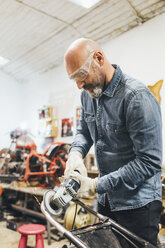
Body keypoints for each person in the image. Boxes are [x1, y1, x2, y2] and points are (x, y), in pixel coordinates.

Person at [63, 38, 162, 246]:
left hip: (138, 207)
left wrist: (97, 185)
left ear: (98, 58)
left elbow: (149, 162)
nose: (79, 85)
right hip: (106, 202)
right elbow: (84, 131)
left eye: (81, 75)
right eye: (74, 79)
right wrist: (75, 153)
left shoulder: (137, 97)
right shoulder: (88, 96)